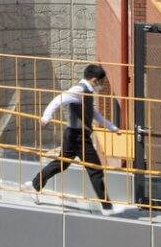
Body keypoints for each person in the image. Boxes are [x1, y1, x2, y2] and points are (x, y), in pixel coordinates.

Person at [30, 64, 121, 212]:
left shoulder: (87, 92)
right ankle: (107, 207)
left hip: (73, 135)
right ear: (94, 79)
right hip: (78, 137)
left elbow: (94, 113)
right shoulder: (79, 90)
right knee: (96, 169)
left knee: (62, 164)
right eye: (101, 82)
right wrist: (46, 117)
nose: (102, 85)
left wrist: (112, 127)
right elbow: (58, 99)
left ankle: (35, 184)